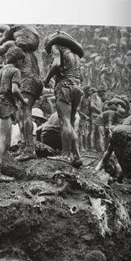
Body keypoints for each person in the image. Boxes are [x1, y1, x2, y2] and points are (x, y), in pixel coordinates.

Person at [43, 32, 85, 166]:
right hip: (77, 88)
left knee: (65, 122)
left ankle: (65, 155)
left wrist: (46, 79)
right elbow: (81, 76)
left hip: (65, 87)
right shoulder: (75, 54)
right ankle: (76, 156)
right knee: (71, 123)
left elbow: (56, 64)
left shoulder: (56, 47)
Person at [0, 46, 25, 183]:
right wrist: (23, 100)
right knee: (3, 140)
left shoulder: (0, 71)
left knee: (5, 140)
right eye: (22, 61)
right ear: (19, 60)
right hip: (5, 104)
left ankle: (0, 166)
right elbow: (15, 90)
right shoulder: (15, 71)